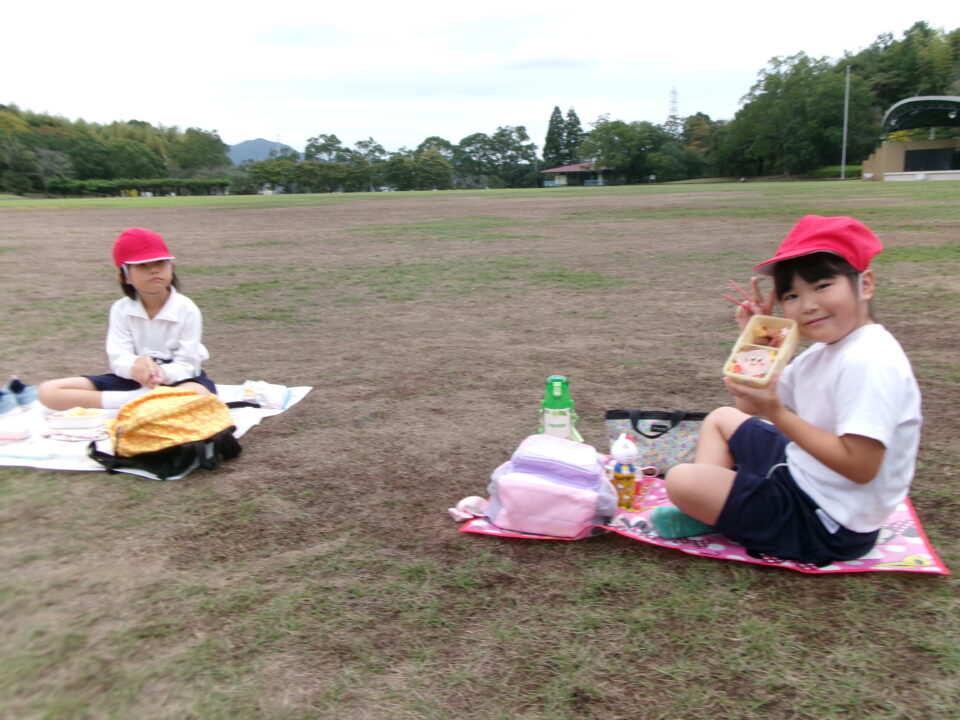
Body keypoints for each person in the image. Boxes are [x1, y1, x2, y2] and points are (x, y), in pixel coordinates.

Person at [650, 215, 922, 566]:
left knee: (682, 481)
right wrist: (756, 342)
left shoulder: (869, 360)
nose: (807, 305)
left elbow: (861, 467)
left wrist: (777, 412)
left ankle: (713, 507)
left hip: (827, 523)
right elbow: (746, 404)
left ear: (865, 284)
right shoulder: (824, 352)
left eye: (822, 285)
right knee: (721, 419)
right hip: (802, 474)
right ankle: (711, 510)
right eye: (792, 295)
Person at [38, 228, 215, 412]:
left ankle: (139, 402)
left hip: (178, 380)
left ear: (172, 266)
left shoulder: (187, 309)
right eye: (142, 265)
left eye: (160, 262)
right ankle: (142, 402)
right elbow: (119, 358)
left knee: (198, 393)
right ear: (124, 276)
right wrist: (135, 367)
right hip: (131, 380)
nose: (154, 269)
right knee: (48, 391)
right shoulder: (120, 309)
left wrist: (161, 373)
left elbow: (188, 364)